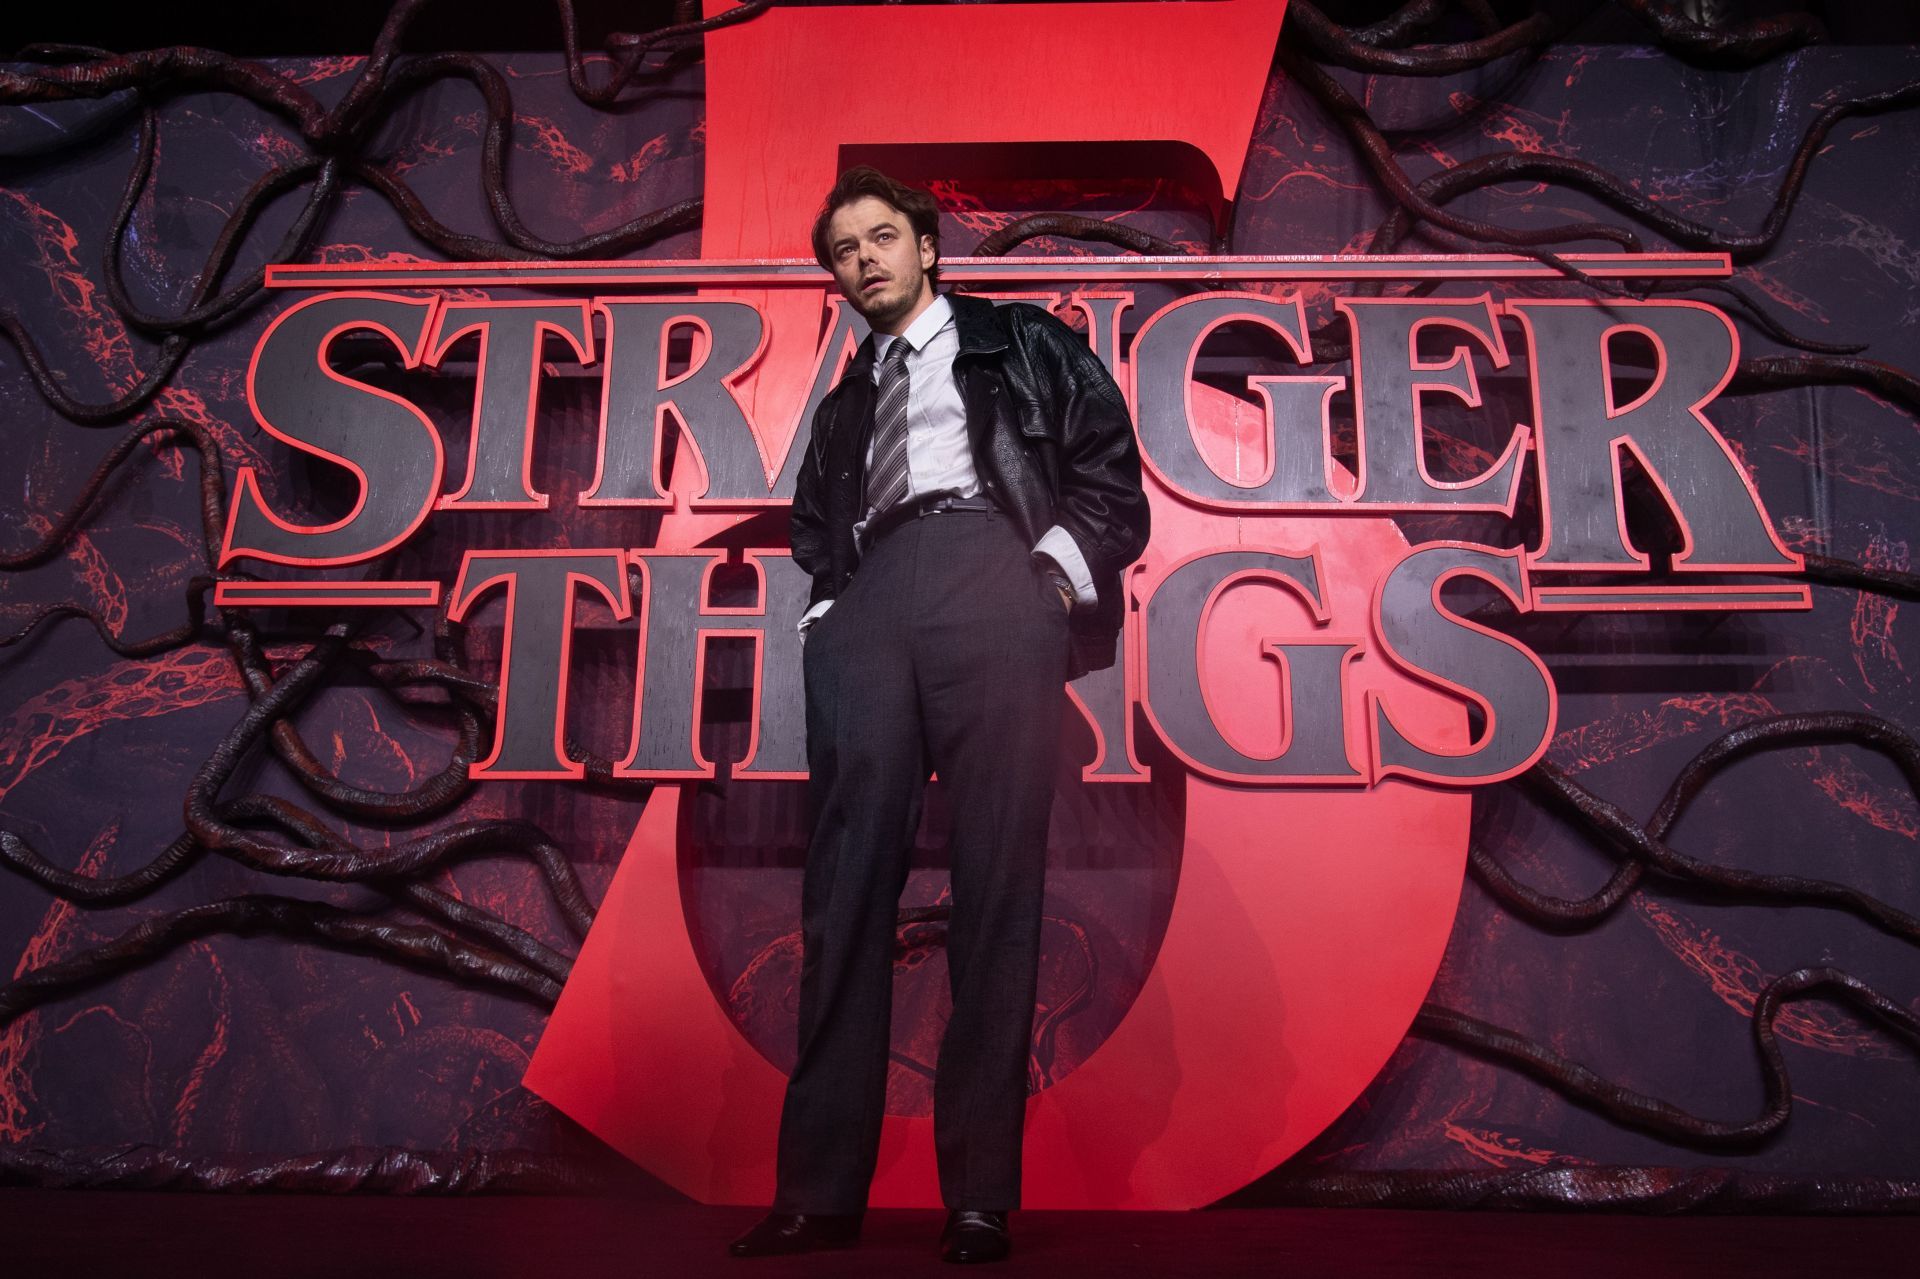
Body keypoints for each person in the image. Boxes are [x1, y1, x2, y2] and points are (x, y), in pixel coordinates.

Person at [728, 166, 1149, 1264]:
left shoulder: (1025, 342)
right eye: (843, 252)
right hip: (875, 601)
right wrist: (830, 611)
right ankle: (819, 1194)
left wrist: (1047, 580)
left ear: (926, 246)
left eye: (881, 238)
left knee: (998, 880)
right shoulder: (844, 405)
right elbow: (817, 529)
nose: (863, 260)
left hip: (992, 573)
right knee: (844, 887)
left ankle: (979, 1196)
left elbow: (1111, 476)